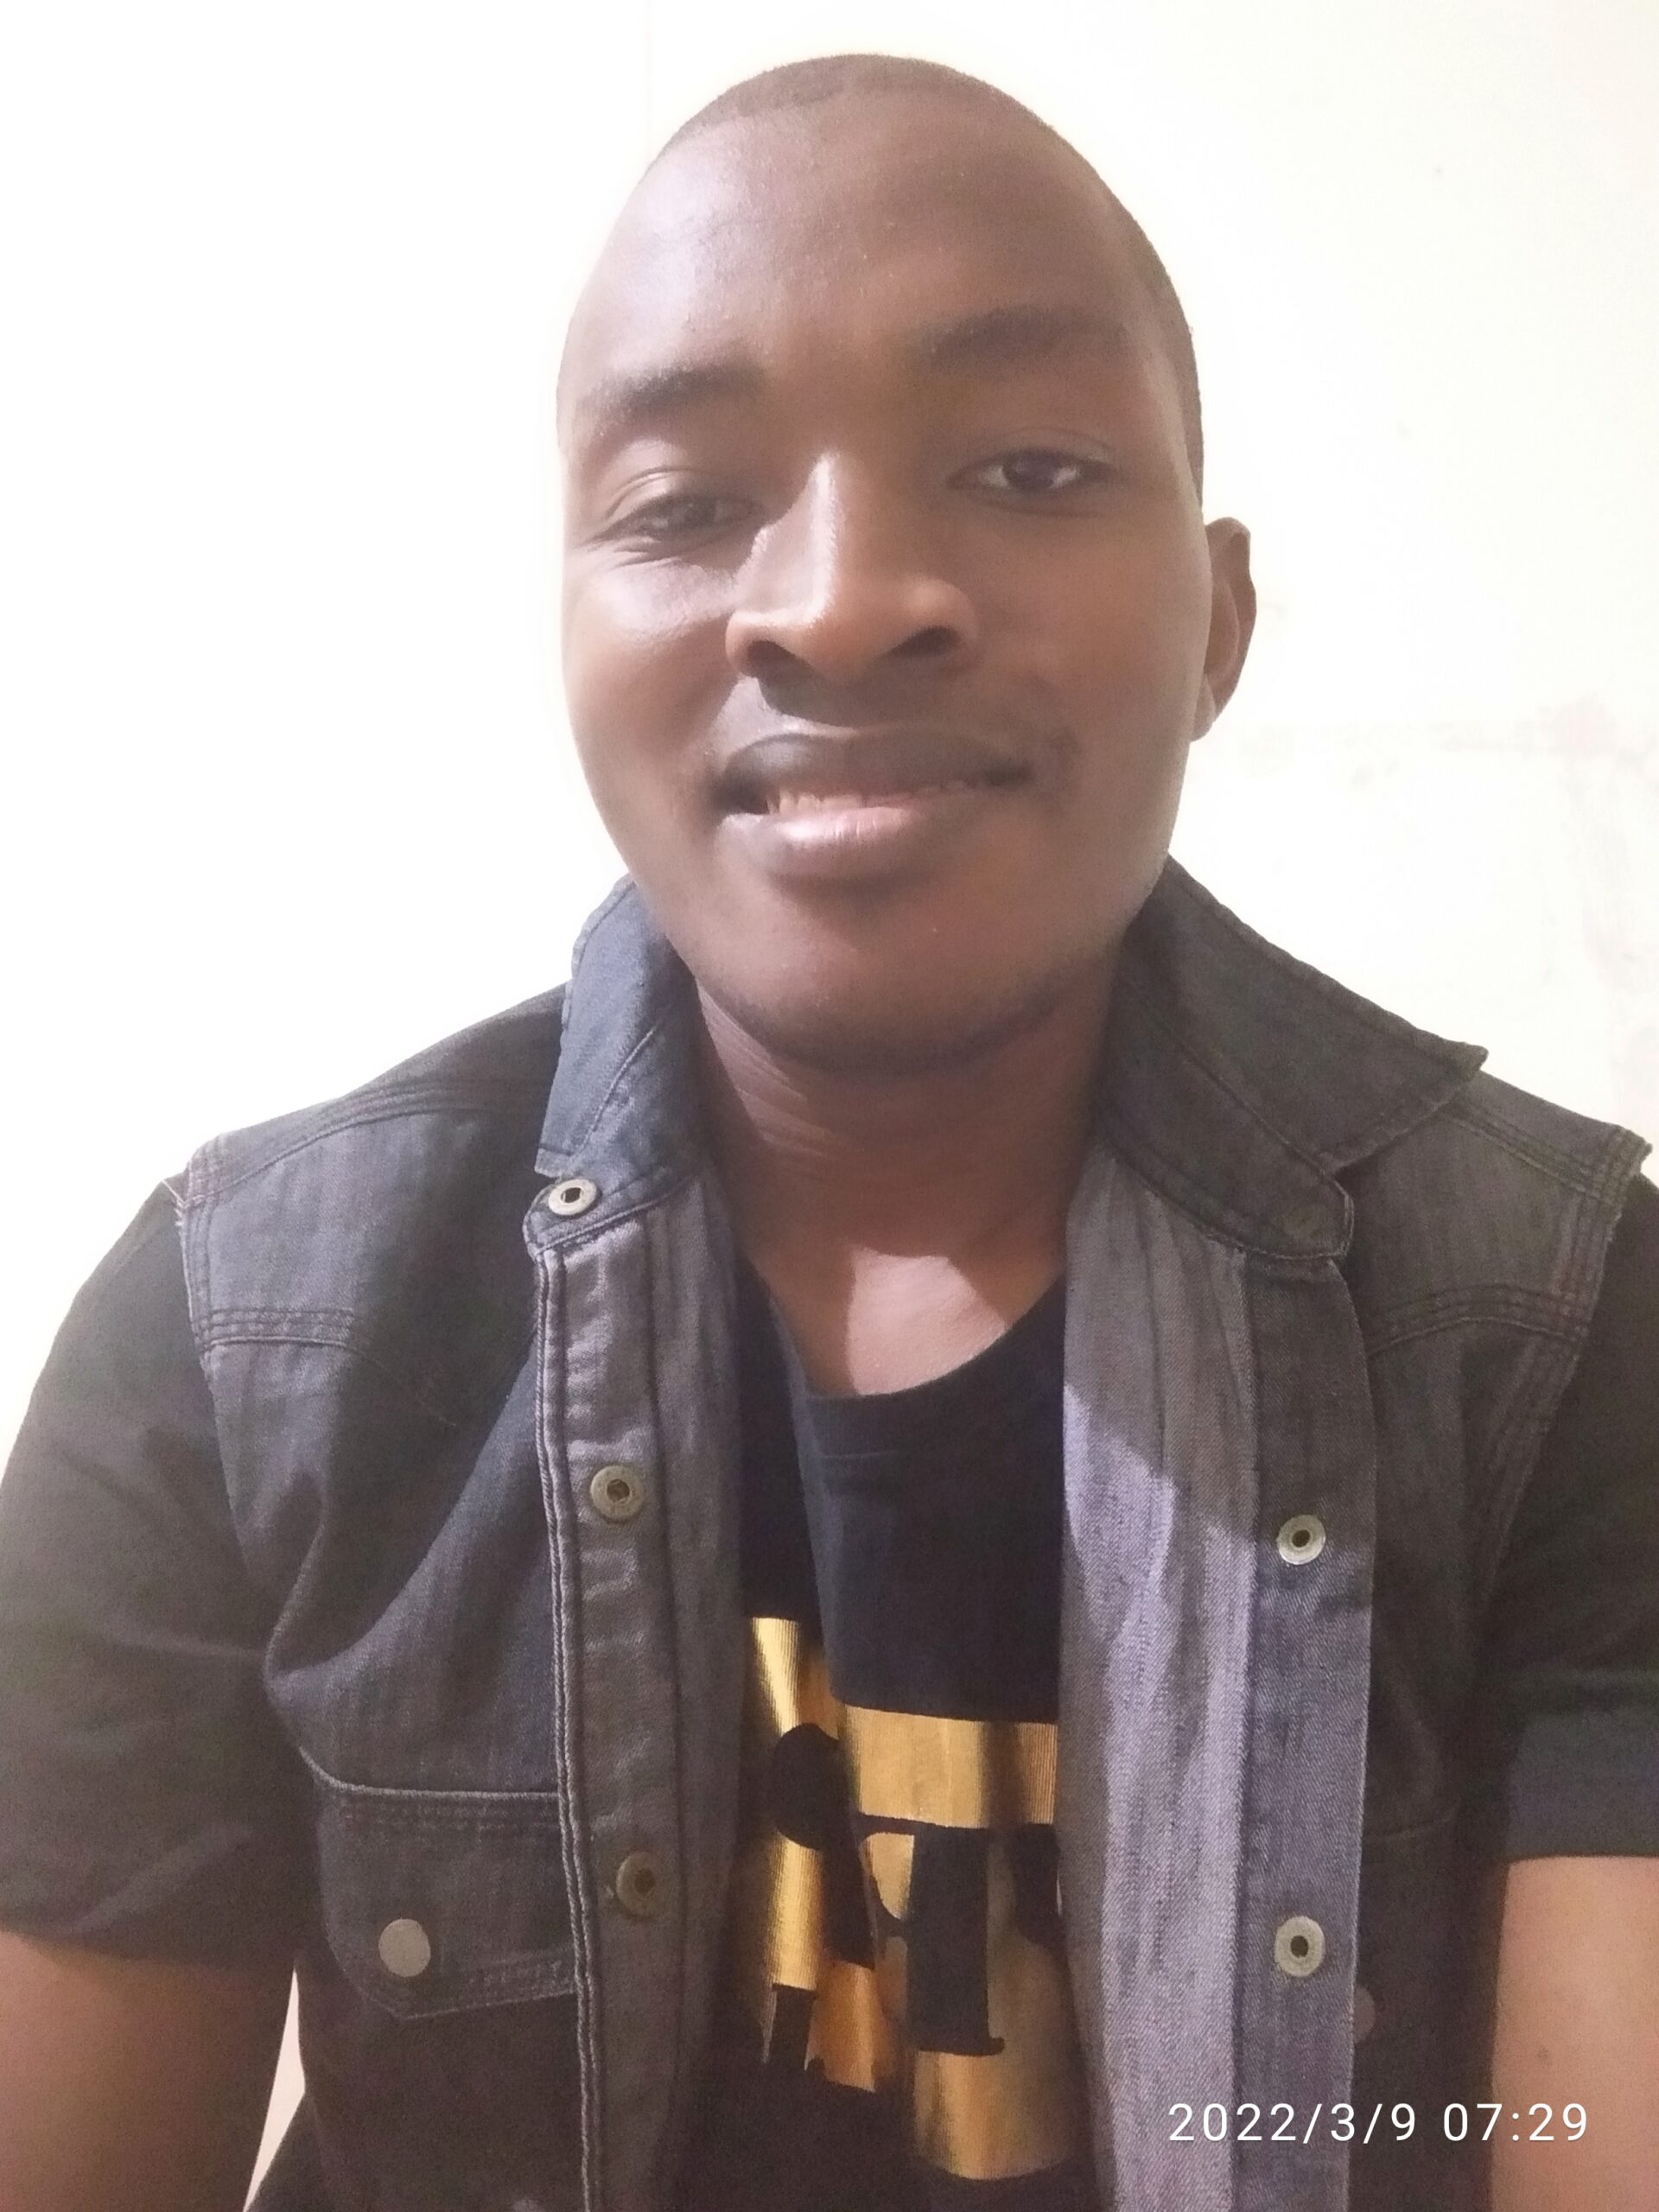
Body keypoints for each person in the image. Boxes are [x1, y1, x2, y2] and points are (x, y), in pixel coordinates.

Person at [1, 48, 1656, 2212]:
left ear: (1220, 623)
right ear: (571, 628)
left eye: (1032, 466)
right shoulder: (243, 1344)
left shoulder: (1561, 1334)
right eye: (688, 505)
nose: (847, 597)